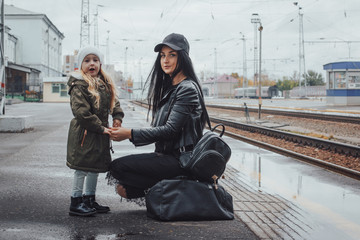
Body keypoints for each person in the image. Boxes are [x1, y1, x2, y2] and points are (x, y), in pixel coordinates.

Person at [108, 33, 206, 200]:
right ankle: (170, 189)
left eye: (172, 55)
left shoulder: (187, 88)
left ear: (183, 58)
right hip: (167, 156)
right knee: (123, 188)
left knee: (118, 167)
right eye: (162, 56)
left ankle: (180, 186)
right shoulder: (170, 88)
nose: (165, 60)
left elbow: (170, 131)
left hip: (181, 160)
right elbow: (160, 131)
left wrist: (129, 134)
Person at [66, 46, 124, 216]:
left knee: (94, 168)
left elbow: (115, 102)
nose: (92, 63)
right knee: (82, 168)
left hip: (99, 133)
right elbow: (81, 113)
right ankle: (75, 202)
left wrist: (117, 117)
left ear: (100, 63)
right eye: (87, 60)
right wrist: (101, 128)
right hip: (85, 134)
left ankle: (89, 199)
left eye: (95, 60)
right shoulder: (79, 85)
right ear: (81, 65)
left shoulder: (104, 83)